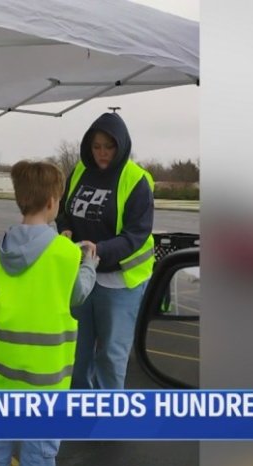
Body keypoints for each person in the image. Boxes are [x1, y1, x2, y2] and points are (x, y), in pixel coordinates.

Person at [0, 160, 99, 466]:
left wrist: (59, 243)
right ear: (53, 202)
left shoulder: (1, 251)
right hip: (45, 381)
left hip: (1, 375)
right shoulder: (65, 254)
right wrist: (89, 264)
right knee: (38, 456)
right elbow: (78, 294)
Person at [56, 112, 155, 390]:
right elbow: (64, 211)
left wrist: (99, 250)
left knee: (111, 354)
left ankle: (110, 417)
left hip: (119, 280)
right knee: (78, 348)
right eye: (96, 146)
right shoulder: (79, 171)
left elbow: (136, 234)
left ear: (121, 146)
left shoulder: (136, 180)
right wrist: (64, 230)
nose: (102, 153)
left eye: (109, 147)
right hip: (82, 274)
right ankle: (80, 408)